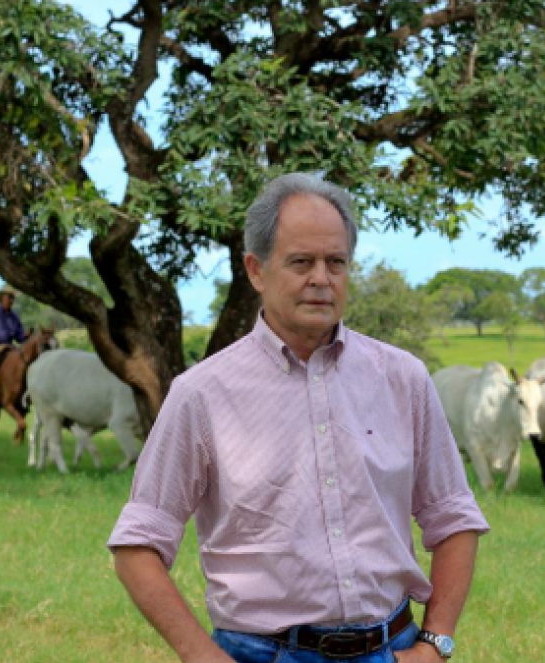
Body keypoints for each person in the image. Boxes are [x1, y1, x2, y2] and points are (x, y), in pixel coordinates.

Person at [108, 173, 489, 663]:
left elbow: (453, 516)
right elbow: (137, 546)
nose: (321, 279)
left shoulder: (403, 379)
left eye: (336, 263)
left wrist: (436, 642)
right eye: (301, 262)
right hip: (261, 654)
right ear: (256, 270)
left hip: (392, 650)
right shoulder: (202, 394)